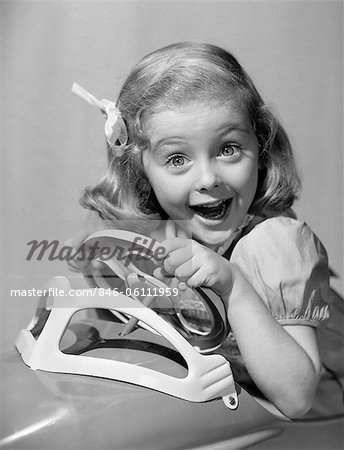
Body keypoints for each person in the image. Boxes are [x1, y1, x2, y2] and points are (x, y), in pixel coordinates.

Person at [69, 42, 330, 418]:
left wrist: (235, 288)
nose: (208, 178)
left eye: (228, 149)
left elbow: (297, 397)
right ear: (141, 172)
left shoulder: (274, 244)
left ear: (262, 145)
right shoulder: (168, 238)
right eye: (177, 159)